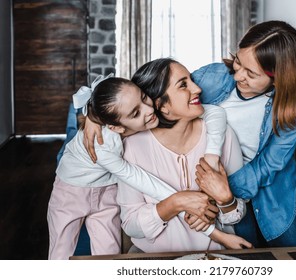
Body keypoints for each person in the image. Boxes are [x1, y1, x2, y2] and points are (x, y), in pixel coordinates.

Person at [47, 74, 239, 259]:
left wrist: (92, 116)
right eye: (136, 113)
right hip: (71, 191)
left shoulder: (121, 105)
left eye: (144, 98)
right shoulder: (103, 145)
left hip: (107, 190)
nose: (148, 110)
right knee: (61, 253)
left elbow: (214, 111)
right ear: (116, 127)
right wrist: (214, 232)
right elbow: (149, 184)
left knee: (108, 254)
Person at [192, 20, 296, 247]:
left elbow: (271, 163)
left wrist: (220, 190)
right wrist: (101, 115)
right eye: (238, 63)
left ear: (279, 77)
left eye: (251, 73)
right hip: (216, 189)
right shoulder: (213, 77)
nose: (237, 77)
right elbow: (152, 89)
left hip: (272, 196)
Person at [116, 58, 252, 252]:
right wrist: (175, 204)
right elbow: (130, 224)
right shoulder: (132, 147)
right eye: (183, 85)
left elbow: (238, 213)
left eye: (191, 80)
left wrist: (225, 201)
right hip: (154, 261)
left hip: (214, 257)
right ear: (162, 106)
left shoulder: (223, 135)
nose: (197, 89)